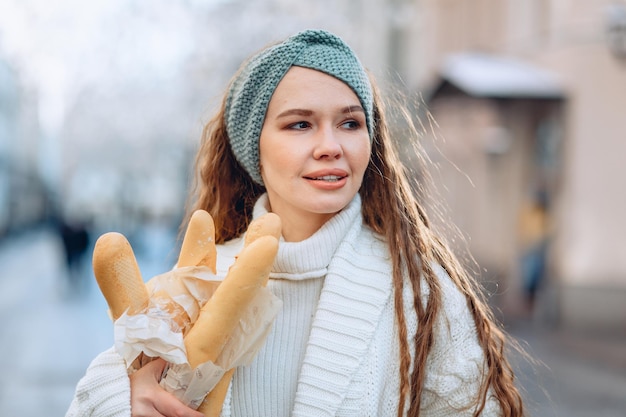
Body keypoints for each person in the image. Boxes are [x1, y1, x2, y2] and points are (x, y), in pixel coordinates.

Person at [66, 29, 525, 417]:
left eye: (349, 123)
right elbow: (97, 395)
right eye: (299, 125)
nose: (330, 146)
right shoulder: (200, 282)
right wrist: (124, 400)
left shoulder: (420, 295)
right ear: (254, 149)